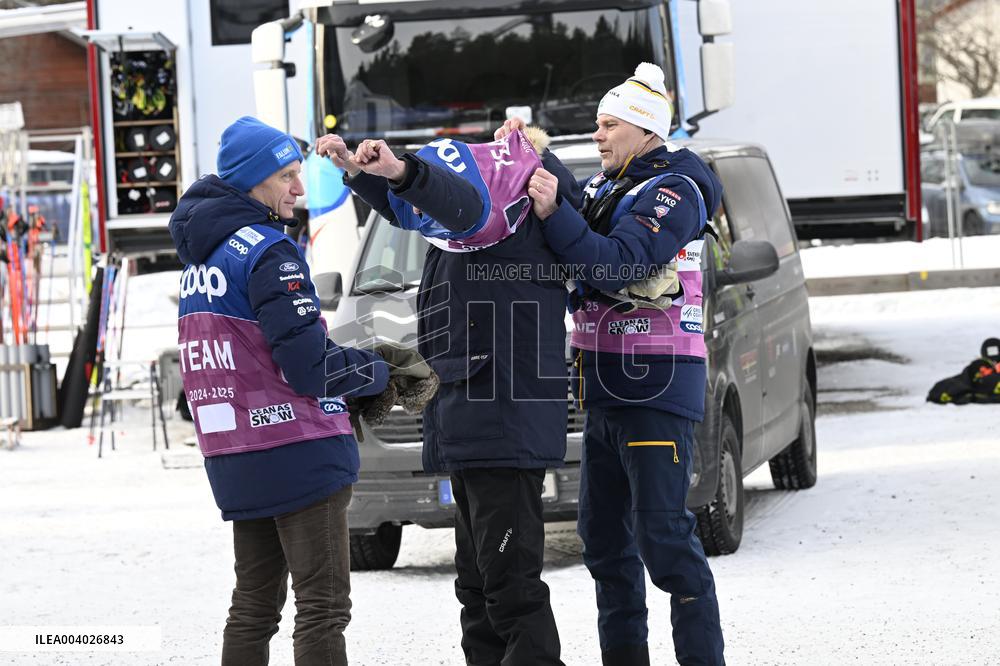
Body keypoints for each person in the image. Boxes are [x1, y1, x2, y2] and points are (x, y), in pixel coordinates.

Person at [315, 128, 581, 666]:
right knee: (477, 585)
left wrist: (400, 170)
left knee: (511, 588)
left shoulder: (509, 217)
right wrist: (358, 172)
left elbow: (447, 198)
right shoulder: (471, 232)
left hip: (502, 424)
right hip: (470, 422)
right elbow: (418, 210)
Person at [499, 62, 727, 665]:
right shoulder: (613, 183)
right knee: (603, 543)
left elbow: (615, 262)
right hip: (603, 388)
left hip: (655, 388)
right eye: (597, 124)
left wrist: (554, 211)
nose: (596, 135)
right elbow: (577, 207)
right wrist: (530, 155)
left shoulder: (675, 190)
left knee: (664, 540)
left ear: (646, 129)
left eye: (608, 125)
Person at [169, 115, 390, 666]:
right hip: (298, 450)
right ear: (253, 181)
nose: (299, 188)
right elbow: (307, 368)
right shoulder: (269, 251)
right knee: (322, 608)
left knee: (253, 605)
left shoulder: (202, 257)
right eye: (287, 176)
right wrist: (376, 371)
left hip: (236, 453)